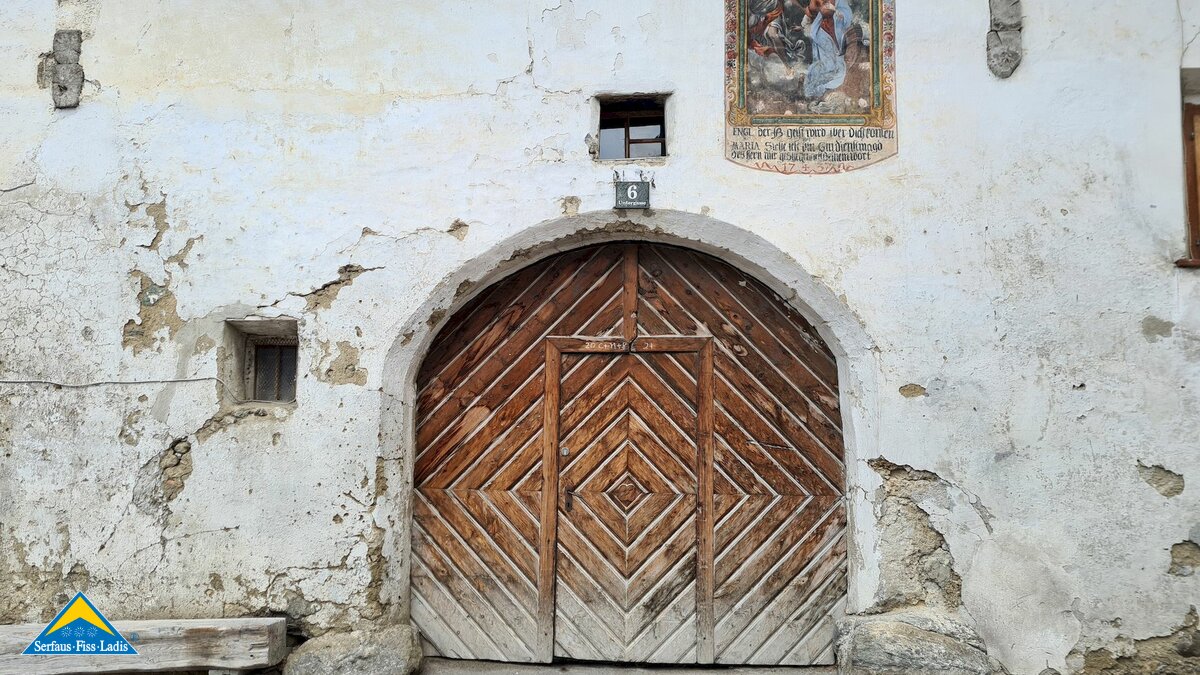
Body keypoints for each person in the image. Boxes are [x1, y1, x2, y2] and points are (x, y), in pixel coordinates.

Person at [803, 0, 854, 99]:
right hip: (822, 31)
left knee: (838, 72)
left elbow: (847, 14)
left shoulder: (840, 2)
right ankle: (815, 87)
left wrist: (837, 12)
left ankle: (822, 86)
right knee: (821, 65)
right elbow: (811, 11)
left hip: (836, 28)